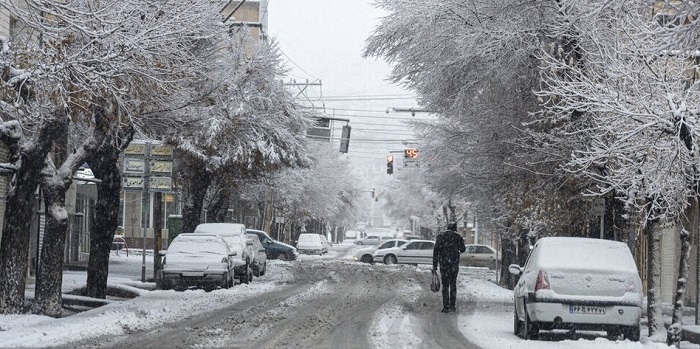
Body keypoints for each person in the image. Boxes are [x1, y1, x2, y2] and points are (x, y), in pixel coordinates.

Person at [432, 221, 466, 313]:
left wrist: (434, 266)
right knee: (453, 285)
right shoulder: (457, 237)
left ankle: (445, 306)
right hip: (454, 264)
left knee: (445, 285)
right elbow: (463, 249)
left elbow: (435, 252)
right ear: (455, 228)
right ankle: (452, 306)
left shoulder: (441, 236)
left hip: (444, 264)